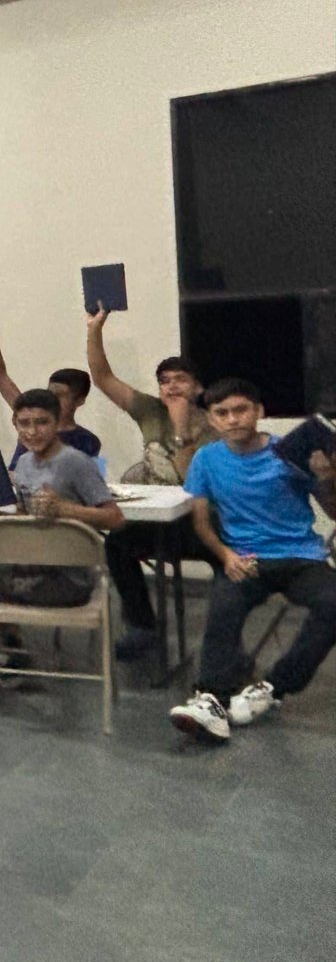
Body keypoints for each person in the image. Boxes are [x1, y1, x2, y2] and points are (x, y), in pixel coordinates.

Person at [0, 389, 125, 703]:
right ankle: (9, 657)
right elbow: (23, 519)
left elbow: (115, 518)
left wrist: (67, 510)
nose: (32, 431)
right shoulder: (26, 463)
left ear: (57, 423)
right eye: (24, 423)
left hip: (67, 580)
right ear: (15, 424)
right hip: (32, 568)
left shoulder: (75, 462)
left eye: (42, 422)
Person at [168, 379, 336, 743]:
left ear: (259, 411)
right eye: (222, 413)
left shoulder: (291, 452)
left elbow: (333, 512)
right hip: (245, 559)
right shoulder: (206, 459)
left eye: (240, 410)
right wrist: (225, 555)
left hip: (300, 557)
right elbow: (201, 522)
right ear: (211, 419)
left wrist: (327, 478)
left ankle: (273, 688)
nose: (232, 419)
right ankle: (210, 699)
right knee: (224, 606)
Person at [86, 307, 219, 660]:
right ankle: (143, 626)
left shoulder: (214, 422)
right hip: (158, 520)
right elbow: (102, 377)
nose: (171, 386)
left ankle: (223, 643)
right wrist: (94, 329)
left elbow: (189, 480)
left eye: (180, 379)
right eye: (164, 381)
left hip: (200, 520)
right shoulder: (148, 410)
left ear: (198, 387)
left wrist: (180, 426)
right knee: (117, 544)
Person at [0, 314, 101, 464]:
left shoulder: (86, 441)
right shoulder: (30, 411)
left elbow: (74, 476)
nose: (52, 399)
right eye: (50, 392)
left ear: (79, 400)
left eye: (60, 395)